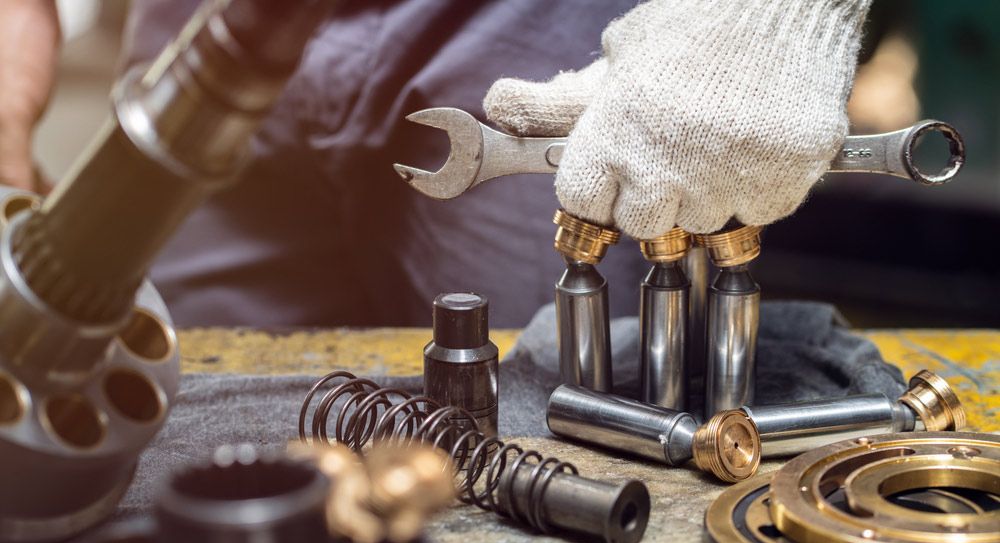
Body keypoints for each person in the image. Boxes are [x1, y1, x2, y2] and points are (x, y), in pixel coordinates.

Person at [0, 0, 870, 327]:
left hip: (543, 30)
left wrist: (781, 12)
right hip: (199, 42)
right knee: (185, 469)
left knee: (549, 450)